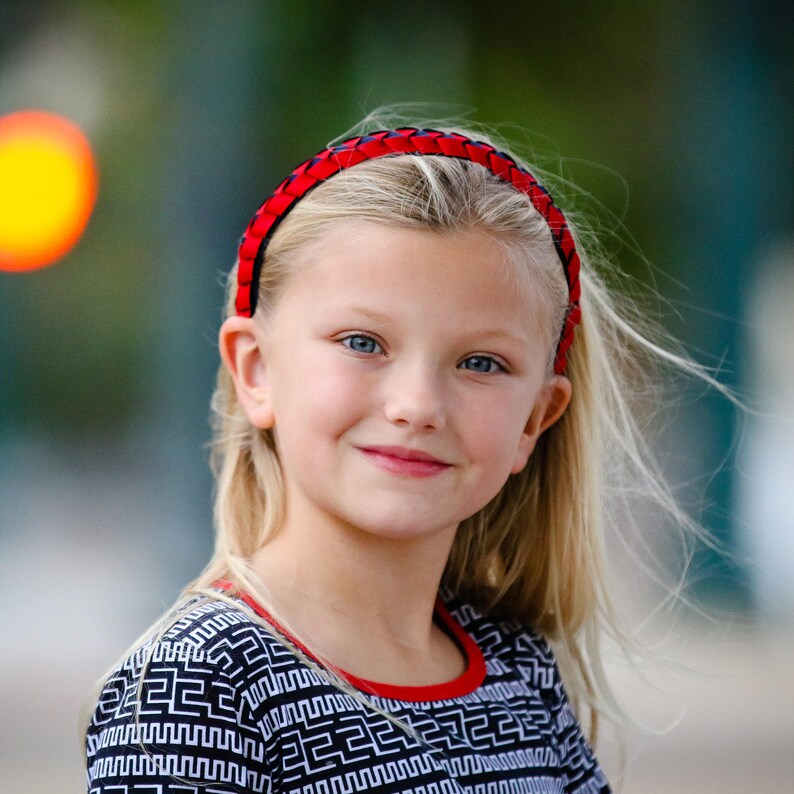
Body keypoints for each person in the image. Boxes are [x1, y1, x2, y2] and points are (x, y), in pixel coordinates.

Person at [84, 121, 696, 793]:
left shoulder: (516, 664)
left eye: (481, 362)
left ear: (535, 419)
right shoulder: (196, 686)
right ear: (255, 370)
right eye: (362, 342)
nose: (417, 404)